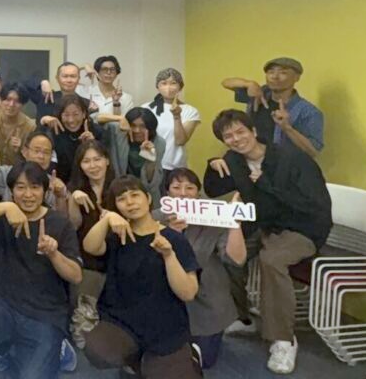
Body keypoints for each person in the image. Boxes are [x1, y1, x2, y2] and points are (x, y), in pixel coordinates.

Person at [202, 110, 332, 374]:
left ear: (253, 131)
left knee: (271, 260)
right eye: (228, 136)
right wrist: (212, 165)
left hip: (302, 227)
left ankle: (284, 339)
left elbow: (313, 205)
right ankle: (242, 316)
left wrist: (265, 185)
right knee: (223, 252)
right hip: (263, 225)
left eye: (240, 132)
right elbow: (214, 190)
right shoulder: (234, 160)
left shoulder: (292, 158)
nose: (236, 139)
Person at [0, 162, 83, 378]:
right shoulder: (3, 216)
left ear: (45, 191)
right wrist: (6, 207)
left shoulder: (60, 223)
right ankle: (7, 345)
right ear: (11, 191)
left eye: (35, 187)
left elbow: (76, 276)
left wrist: (54, 254)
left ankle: (59, 348)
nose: (28, 194)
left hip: (46, 312)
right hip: (5, 301)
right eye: (20, 187)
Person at [82, 176, 202, 379]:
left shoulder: (174, 239)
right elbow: (90, 247)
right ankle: (133, 359)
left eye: (135, 195)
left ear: (148, 198)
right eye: (122, 199)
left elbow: (188, 292)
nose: (130, 202)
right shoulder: (118, 236)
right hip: (122, 321)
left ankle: (187, 355)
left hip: (166, 326)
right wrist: (107, 219)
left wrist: (168, 255)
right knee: (97, 350)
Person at [153, 169, 247, 369]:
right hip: (165, 297)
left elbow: (236, 259)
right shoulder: (156, 218)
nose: (183, 193)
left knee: (204, 362)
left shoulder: (214, 217)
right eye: (176, 187)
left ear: (198, 192)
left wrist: (235, 223)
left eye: (190, 188)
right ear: (167, 192)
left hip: (206, 300)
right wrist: (171, 234)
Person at [63, 139, 116, 347]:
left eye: (97, 159)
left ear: (107, 160)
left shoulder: (120, 187)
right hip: (87, 256)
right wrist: (72, 199)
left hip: (117, 252)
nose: (93, 166)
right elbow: (74, 225)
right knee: (83, 316)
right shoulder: (76, 189)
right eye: (86, 161)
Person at [221, 57, 324, 158]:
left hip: (282, 165)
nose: (275, 76)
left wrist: (287, 128)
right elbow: (226, 83)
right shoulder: (260, 94)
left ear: (296, 77)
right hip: (250, 161)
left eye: (283, 72)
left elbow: (313, 151)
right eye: (271, 72)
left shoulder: (309, 111)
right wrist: (249, 84)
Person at [0, 130, 69, 212]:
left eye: (46, 152)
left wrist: (60, 197)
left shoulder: (55, 184)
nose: (41, 156)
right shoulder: (7, 173)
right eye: (36, 151)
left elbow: (62, 221)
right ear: (24, 152)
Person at [98, 107, 167, 199]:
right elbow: (96, 118)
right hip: (119, 190)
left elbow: (151, 182)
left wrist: (150, 158)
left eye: (142, 126)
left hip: (146, 194)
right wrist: (120, 118)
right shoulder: (119, 132)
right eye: (133, 125)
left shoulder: (159, 143)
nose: (137, 130)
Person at [142, 68, 200, 171]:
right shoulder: (146, 108)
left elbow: (180, 141)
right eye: (163, 83)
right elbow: (142, 138)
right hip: (149, 164)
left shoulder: (190, 111)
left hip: (175, 167)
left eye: (173, 83)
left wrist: (177, 116)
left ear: (180, 86)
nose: (168, 87)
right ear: (157, 87)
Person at [43, 95, 103, 184]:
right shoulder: (54, 131)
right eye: (66, 115)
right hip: (61, 184)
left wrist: (93, 145)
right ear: (60, 115)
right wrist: (43, 121)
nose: (71, 120)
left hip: (90, 182)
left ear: (84, 114)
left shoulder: (95, 131)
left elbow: (106, 162)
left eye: (76, 114)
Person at [31, 62, 97, 125]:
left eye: (73, 76)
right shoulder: (46, 97)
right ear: (57, 78)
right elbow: (26, 84)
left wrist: (92, 113)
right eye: (65, 76)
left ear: (78, 79)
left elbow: (92, 128)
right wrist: (43, 82)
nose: (69, 80)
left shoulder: (87, 103)